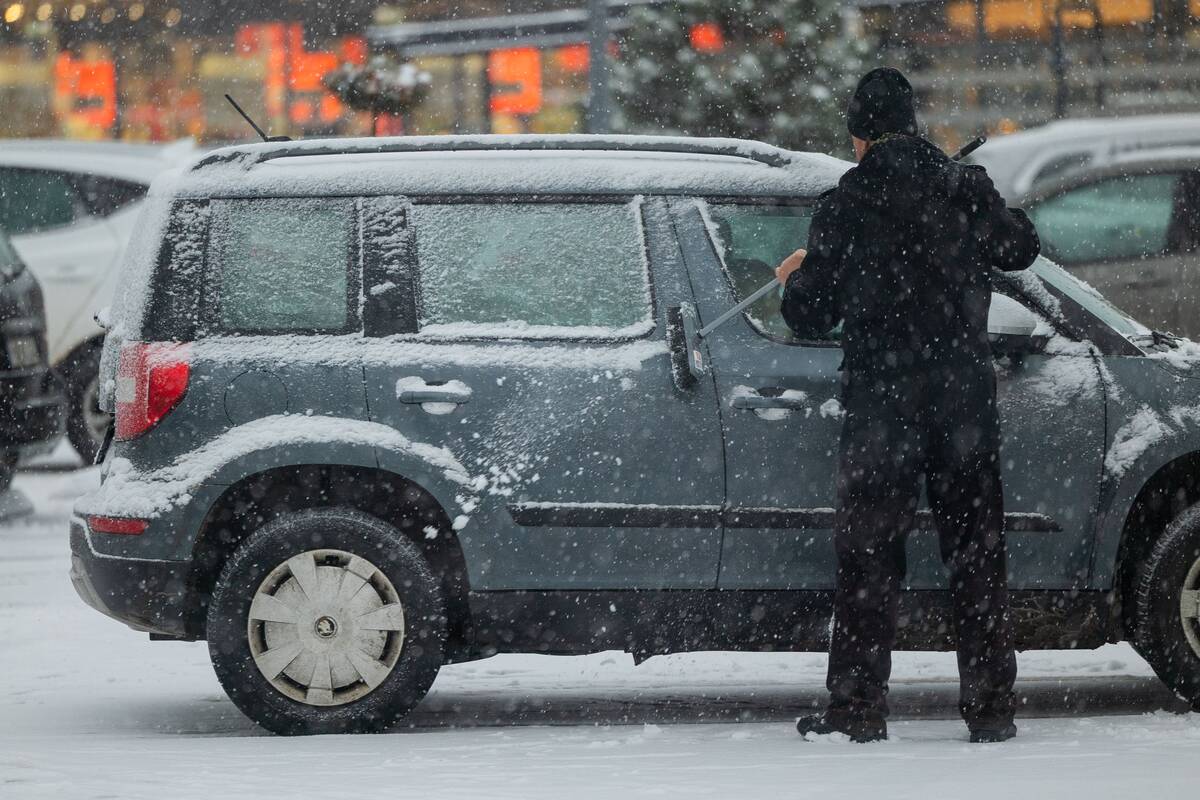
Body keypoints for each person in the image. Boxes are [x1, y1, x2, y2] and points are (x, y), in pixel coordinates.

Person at [777, 67, 1041, 744]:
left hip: (882, 406)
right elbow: (1021, 248)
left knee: (868, 559)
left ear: (861, 135)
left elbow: (810, 314)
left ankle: (857, 709)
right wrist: (977, 202)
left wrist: (797, 277)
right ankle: (991, 710)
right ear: (914, 124)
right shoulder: (963, 186)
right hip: (962, 404)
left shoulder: (846, 201)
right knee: (977, 555)